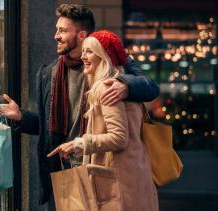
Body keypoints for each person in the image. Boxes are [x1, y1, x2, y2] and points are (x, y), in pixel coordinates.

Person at [0, 4, 159, 210]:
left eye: (62, 30)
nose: (56, 36)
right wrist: (21, 117)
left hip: (101, 170)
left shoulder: (110, 67)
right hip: (65, 171)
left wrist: (125, 85)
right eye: (56, 29)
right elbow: (48, 127)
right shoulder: (49, 73)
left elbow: (150, 87)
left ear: (81, 35)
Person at [47, 30, 158, 211]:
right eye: (83, 51)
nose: (83, 57)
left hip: (118, 186)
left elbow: (119, 137)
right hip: (132, 179)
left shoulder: (107, 87)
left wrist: (80, 143)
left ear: (104, 56)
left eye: (89, 51)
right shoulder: (121, 85)